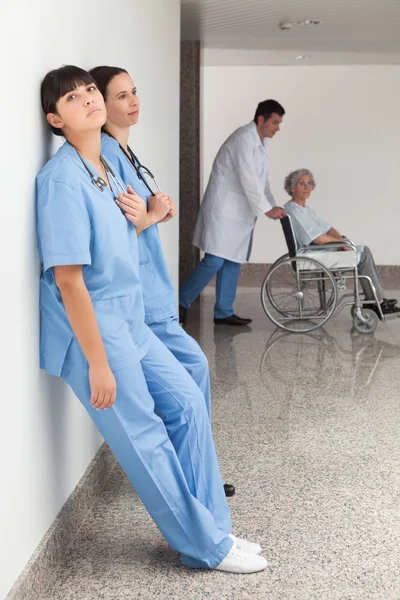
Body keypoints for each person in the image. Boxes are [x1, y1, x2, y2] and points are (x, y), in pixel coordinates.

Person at [36, 65, 267, 573]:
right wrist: (98, 363)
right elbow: (70, 281)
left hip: (130, 320)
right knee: (147, 438)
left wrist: (148, 215)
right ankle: (205, 548)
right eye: (73, 99)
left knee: (186, 401)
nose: (90, 100)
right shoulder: (60, 182)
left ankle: (214, 528)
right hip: (95, 334)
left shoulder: (107, 169)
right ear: (56, 119)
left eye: (91, 90)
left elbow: (132, 237)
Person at [89, 65, 235, 498]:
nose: (133, 101)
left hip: (153, 291)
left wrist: (157, 208)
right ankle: (193, 475)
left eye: (134, 92)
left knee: (195, 369)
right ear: (102, 104)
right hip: (138, 297)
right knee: (192, 373)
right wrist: (152, 214)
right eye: (121, 96)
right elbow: (116, 231)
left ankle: (196, 470)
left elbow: (142, 212)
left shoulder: (124, 151)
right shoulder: (105, 154)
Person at [179, 100, 286, 327]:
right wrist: (266, 209)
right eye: (275, 122)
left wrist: (273, 205)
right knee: (214, 260)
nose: (278, 128)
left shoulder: (261, 143)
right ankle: (181, 301)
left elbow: (262, 181)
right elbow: (248, 178)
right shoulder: (244, 139)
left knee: (233, 261)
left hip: (239, 212)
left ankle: (223, 312)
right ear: (261, 119)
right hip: (224, 211)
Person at [283, 169, 400, 318]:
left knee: (365, 250)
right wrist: (340, 243)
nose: (307, 187)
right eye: (302, 184)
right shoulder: (293, 210)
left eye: (309, 183)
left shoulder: (305, 209)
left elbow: (329, 229)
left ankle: (375, 300)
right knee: (362, 257)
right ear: (292, 188)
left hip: (322, 250)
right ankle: (378, 302)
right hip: (312, 254)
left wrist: (341, 243)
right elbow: (317, 239)